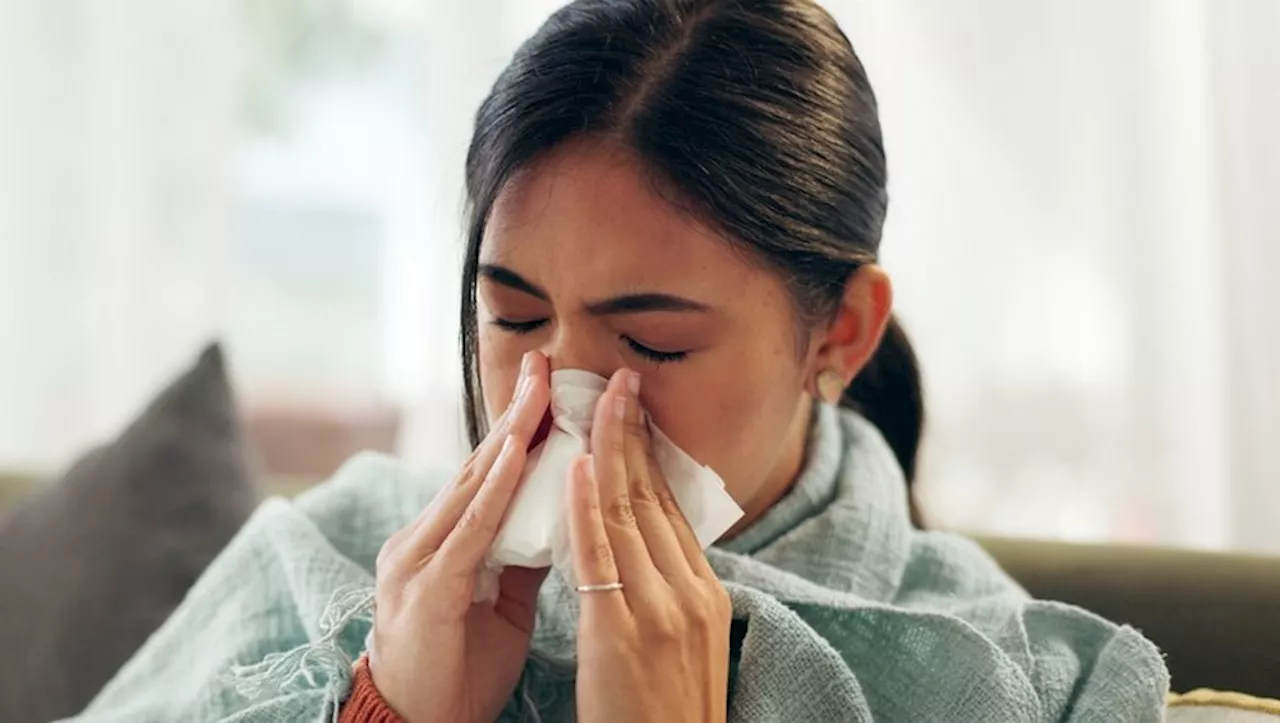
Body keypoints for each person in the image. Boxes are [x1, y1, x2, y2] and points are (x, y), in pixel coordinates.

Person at [66, 1, 1170, 721]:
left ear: (839, 333)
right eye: (509, 318)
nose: (560, 399)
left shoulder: (1014, 683)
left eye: (653, 342)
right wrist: (387, 704)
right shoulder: (330, 558)